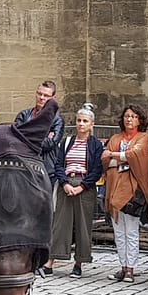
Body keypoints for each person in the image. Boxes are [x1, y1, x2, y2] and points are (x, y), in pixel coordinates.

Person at [48, 104, 103, 278]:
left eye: (85, 121)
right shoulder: (66, 142)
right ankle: (51, 261)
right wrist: (64, 183)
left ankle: (79, 262)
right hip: (67, 183)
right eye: (79, 120)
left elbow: (96, 169)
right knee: (60, 223)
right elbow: (58, 164)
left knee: (82, 225)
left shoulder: (95, 145)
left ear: (91, 124)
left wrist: (82, 186)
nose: (81, 124)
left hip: (84, 185)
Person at [102, 105, 148, 282]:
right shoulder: (115, 137)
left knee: (131, 231)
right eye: (126, 116)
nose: (129, 119)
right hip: (114, 188)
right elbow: (104, 159)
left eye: (133, 116)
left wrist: (115, 156)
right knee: (119, 231)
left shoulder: (143, 138)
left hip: (132, 190)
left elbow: (136, 155)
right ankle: (122, 266)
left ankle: (131, 268)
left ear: (139, 120)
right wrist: (120, 160)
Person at [15, 80, 65, 177]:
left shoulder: (57, 120)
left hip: (46, 170)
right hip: (24, 168)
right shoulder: (24, 115)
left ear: (53, 98)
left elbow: (49, 144)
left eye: (46, 96)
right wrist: (42, 137)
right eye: (39, 94)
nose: (41, 98)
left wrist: (26, 136)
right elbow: (16, 139)